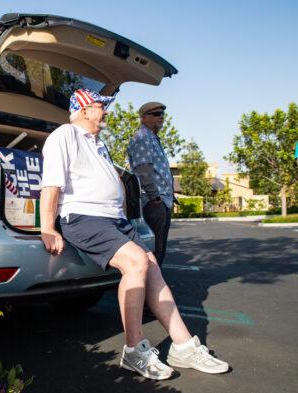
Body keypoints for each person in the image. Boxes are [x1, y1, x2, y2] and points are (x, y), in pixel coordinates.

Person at [40, 89, 228, 380]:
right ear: (85, 109)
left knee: (151, 266)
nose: (106, 111)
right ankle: (134, 351)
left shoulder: (97, 143)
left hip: (114, 219)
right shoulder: (65, 134)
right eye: (102, 106)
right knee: (136, 263)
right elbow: (51, 183)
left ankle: (183, 345)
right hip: (83, 218)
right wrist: (48, 228)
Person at [127, 102, 174, 266]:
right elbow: (144, 172)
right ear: (144, 118)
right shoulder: (142, 138)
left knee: (160, 249)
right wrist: (155, 199)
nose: (161, 117)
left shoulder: (152, 138)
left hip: (162, 201)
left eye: (162, 114)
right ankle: (150, 288)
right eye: (156, 114)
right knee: (154, 251)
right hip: (153, 202)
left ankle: (153, 286)